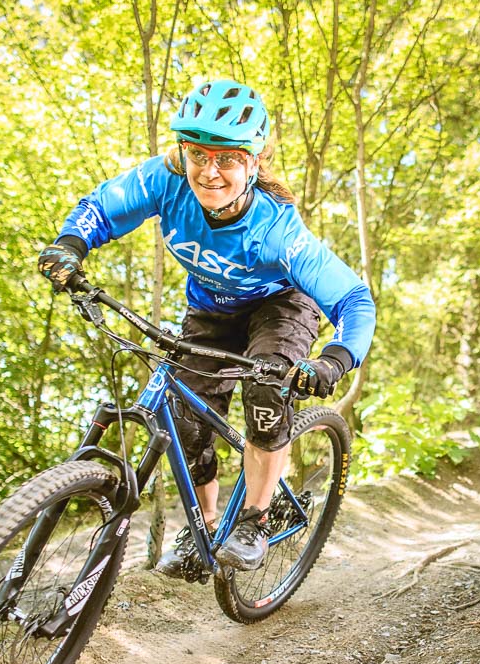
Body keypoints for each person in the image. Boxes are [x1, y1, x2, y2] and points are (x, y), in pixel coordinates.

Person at [37, 79, 375, 576]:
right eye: (198, 154)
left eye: (228, 159)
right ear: (183, 151)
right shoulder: (167, 179)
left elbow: (353, 299)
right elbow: (101, 208)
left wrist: (334, 360)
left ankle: (256, 520)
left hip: (279, 308)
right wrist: (70, 245)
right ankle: (205, 528)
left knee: (266, 391)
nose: (209, 171)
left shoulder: (277, 230)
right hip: (210, 311)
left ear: (253, 163)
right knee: (184, 423)